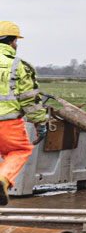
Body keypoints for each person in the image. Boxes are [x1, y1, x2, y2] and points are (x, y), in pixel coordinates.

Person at [0, 21, 48, 205]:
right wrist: (40, 123)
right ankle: (3, 179)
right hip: (8, 123)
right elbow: (30, 99)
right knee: (18, 150)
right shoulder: (19, 66)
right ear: (12, 41)